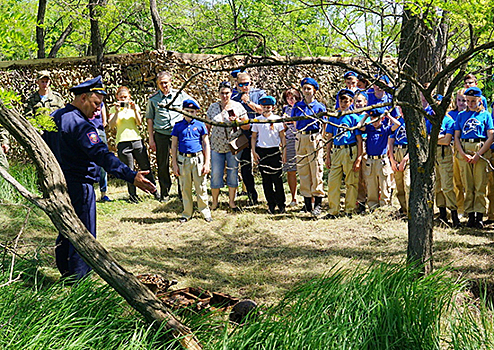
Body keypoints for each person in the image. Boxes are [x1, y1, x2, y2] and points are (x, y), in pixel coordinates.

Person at [43, 76, 156, 280]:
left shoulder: (54, 117)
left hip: (57, 186)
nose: (98, 110)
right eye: (96, 104)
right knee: (83, 234)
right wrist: (131, 176)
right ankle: (79, 281)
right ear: (83, 97)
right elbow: (102, 156)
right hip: (79, 186)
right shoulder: (81, 126)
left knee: (65, 227)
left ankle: (65, 273)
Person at [146, 71, 191, 202]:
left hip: (178, 135)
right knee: (163, 164)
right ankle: (165, 193)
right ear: (157, 84)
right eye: (161, 83)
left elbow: (193, 107)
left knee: (180, 162)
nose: (164, 85)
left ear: (171, 82)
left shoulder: (181, 95)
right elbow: (149, 119)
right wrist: (151, 139)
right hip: (161, 135)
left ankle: (182, 192)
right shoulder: (153, 100)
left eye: (166, 82)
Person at [109, 86, 158, 203]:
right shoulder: (113, 109)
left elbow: (139, 123)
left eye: (125, 97)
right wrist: (116, 112)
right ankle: (133, 196)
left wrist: (135, 110)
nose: (123, 99)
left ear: (129, 97)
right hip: (122, 142)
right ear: (117, 97)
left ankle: (155, 191)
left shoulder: (133, 108)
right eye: (121, 97)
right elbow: (111, 125)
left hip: (136, 140)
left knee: (145, 166)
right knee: (129, 170)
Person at [454, 86, 494, 228]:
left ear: (479, 100)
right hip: (464, 148)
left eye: (473, 101)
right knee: (468, 184)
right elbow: (457, 136)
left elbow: (491, 136)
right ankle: (470, 214)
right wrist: (462, 153)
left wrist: (478, 154)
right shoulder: (461, 116)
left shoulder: (485, 115)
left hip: (480, 148)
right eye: (468, 101)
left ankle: (479, 216)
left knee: (480, 184)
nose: (470, 104)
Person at [207, 81, 249, 211]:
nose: (225, 96)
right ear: (218, 94)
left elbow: (246, 126)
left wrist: (237, 120)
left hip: (233, 146)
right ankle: (214, 202)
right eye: (222, 93)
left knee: (233, 172)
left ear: (231, 93)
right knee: (216, 173)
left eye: (227, 93)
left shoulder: (238, 106)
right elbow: (207, 127)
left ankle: (232, 202)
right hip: (216, 145)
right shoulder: (213, 107)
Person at [171, 99, 212, 223]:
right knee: (185, 187)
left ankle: (205, 211)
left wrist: (206, 162)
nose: (189, 113)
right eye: (187, 111)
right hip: (183, 160)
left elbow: (206, 144)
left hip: (198, 159)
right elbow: (173, 146)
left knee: (201, 187)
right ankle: (187, 213)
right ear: (183, 111)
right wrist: (174, 164)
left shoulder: (200, 125)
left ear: (196, 112)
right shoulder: (178, 126)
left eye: (192, 111)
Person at [325, 89, 363, 218]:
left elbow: (359, 140)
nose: (343, 103)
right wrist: (327, 155)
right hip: (337, 150)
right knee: (333, 182)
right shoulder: (334, 116)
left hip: (350, 150)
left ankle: (349, 210)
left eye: (346, 101)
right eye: (341, 100)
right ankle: (333, 210)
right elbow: (330, 137)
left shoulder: (354, 117)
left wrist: (359, 158)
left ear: (351, 102)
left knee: (351, 182)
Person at [292, 77, 326, 217]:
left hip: (314, 138)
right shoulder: (297, 106)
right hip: (301, 138)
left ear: (314, 91)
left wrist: (321, 138)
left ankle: (317, 204)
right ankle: (307, 204)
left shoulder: (319, 107)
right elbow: (294, 122)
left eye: (309, 89)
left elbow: (324, 124)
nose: (306, 91)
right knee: (303, 170)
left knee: (316, 171)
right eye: (304, 88)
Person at [231, 72, 266, 205]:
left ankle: (270, 194)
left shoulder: (258, 93)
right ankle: (252, 195)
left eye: (247, 84)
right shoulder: (233, 96)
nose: (245, 87)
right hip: (242, 134)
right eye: (241, 84)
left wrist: (248, 102)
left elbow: (262, 110)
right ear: (236, 84)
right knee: (245, 166)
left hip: (259, 133)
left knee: (263, 164)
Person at [425, 105, 460, 227]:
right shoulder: (429, 120)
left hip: (444, 153)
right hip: (432, 153)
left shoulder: (449, 121)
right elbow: (424, 138)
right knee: (437, 185)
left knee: (447, 186)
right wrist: (438, 137)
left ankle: (454, 215)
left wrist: (432, 138)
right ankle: (442, 214)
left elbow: (446, 140)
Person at [251, 95, 286, 214]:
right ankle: (270, 203)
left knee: (277, 179)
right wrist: (254, 152)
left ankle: (281, 203)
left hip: (275, 151)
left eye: (269, 107)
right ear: (261, 107)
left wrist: (284, 152)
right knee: (266, 180)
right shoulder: (257, 120)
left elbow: (282, 136)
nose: (267, 109)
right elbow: (254, 137)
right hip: (262, 151)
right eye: (264, 107)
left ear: (273, 107)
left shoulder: (277, 119)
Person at [359, 109, 401, 210]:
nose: (375, 123)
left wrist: (388, 116)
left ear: (381, 119)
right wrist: (366, 116)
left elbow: (397, 124)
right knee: (371, 185)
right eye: (373, 120)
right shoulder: (369, 128)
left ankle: (384, 207)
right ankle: (373, 207)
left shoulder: (385, 129)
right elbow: (359, 126)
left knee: (384, 184)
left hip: (382, 161)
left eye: (377, 120)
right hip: (370, 161)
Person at [281, 87, 302, 207]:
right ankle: (294, 198)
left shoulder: (302, 108)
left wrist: (292, 120)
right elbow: (282, 129)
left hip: (301, 140)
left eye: (293, 97)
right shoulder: (285, 109)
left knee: (305, 171)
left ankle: (310, 198)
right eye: (288, 98)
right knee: (291, 171)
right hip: (289, 141)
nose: (291, 100)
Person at [388, 106, 409, 215]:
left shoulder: (412, 121)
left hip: (407, 153)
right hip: (397, 152)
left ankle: (411, 211)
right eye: (400, 108)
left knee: (408, 183)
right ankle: (404, 209)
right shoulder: (397, 121)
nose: (402, 110)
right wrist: (392, 159)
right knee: (399, 185)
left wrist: (405, 159)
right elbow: (391, 141)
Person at [449, 89, 467, 217]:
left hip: (467, 149)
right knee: (456, 181)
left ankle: (470, 209)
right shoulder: (451, 114)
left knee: (469, 182)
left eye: (464, 100)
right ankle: (459, 207)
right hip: (452, 150)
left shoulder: (471, 114)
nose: (461, 103)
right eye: (459, 100)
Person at [88, 102, 111, 202]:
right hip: (88, 131)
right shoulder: (84, 102)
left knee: (103, 163)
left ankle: (103, 193)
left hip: (100, 131)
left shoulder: (101, 103)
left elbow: (104, 121)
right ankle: (90, 193)